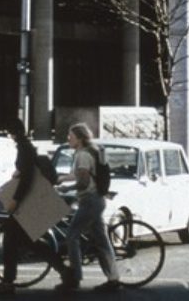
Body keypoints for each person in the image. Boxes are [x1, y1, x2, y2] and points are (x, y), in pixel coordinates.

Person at [0, 118, 69, 297]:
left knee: (12, 239)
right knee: (26, 241)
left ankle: (8, 282)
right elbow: (26, 172)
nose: (9, 135)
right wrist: (20, 171)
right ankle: (65, 272)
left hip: (26, 200)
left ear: (13, 132)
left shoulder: (23, 148)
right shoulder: (26, 146)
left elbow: (27, 179)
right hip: (30, 199)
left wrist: (16, 200)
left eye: (9, 132)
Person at [59, 123, 120, 292]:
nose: (68, 139)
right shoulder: (88, 152)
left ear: (79, 138)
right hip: (97, 199)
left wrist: (67, 188)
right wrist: (61, 179)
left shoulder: (82, 155)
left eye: (70, 136)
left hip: (90, 201)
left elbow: (83, 182)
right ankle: (113, 278)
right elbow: (80, 174)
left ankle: (75, 277)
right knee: (101, 241)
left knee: (72, 235)